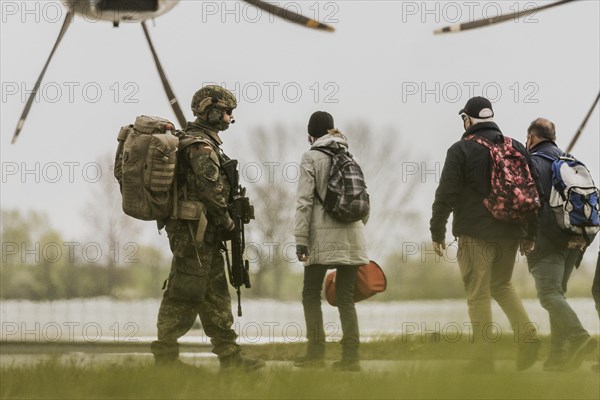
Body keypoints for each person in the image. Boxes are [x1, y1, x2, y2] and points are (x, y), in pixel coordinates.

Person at [150, 85, 265, 371]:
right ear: (210, 110)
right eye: (226, 111)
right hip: (194, 233)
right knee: (184, 291)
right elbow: (210, 192)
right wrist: (226, 221)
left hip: (201, 233)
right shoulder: (200, 147)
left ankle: (229, 356)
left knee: (213, 292)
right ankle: (165, 358)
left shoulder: (204, 144)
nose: (229, 118)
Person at [429, 97, 540, 373]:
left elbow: (446, 193)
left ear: (468, 120)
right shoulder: (515, 147)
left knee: (477, 294)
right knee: (501, 286)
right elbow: (533, 192)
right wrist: (530, 233)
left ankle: (482, 360)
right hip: (512, 230)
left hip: (475, 232)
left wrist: (437, 230)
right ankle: (527, 337)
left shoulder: (461, 150)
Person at [294, 111, 369, 371]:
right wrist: (356, 230)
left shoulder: (310, 157)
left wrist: (301, 239)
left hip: (321, 239)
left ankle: (316, 353)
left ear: (310, 136)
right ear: (332, 131)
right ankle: (351, 359)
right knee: (345, 298)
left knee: (310, 295)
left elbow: (304, 202)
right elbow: (364, 201)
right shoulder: (350, 156)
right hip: (353, 235)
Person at [526, 117, 598, 372]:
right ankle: (558, 356)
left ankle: (578, 337)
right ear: (553, 137)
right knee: (558, 294)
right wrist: (579, 239)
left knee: (548, 294)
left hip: (549, 243)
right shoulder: (572, 162)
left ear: (532, 137)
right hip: (575, 241)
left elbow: (531, 206)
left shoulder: (532, 162)